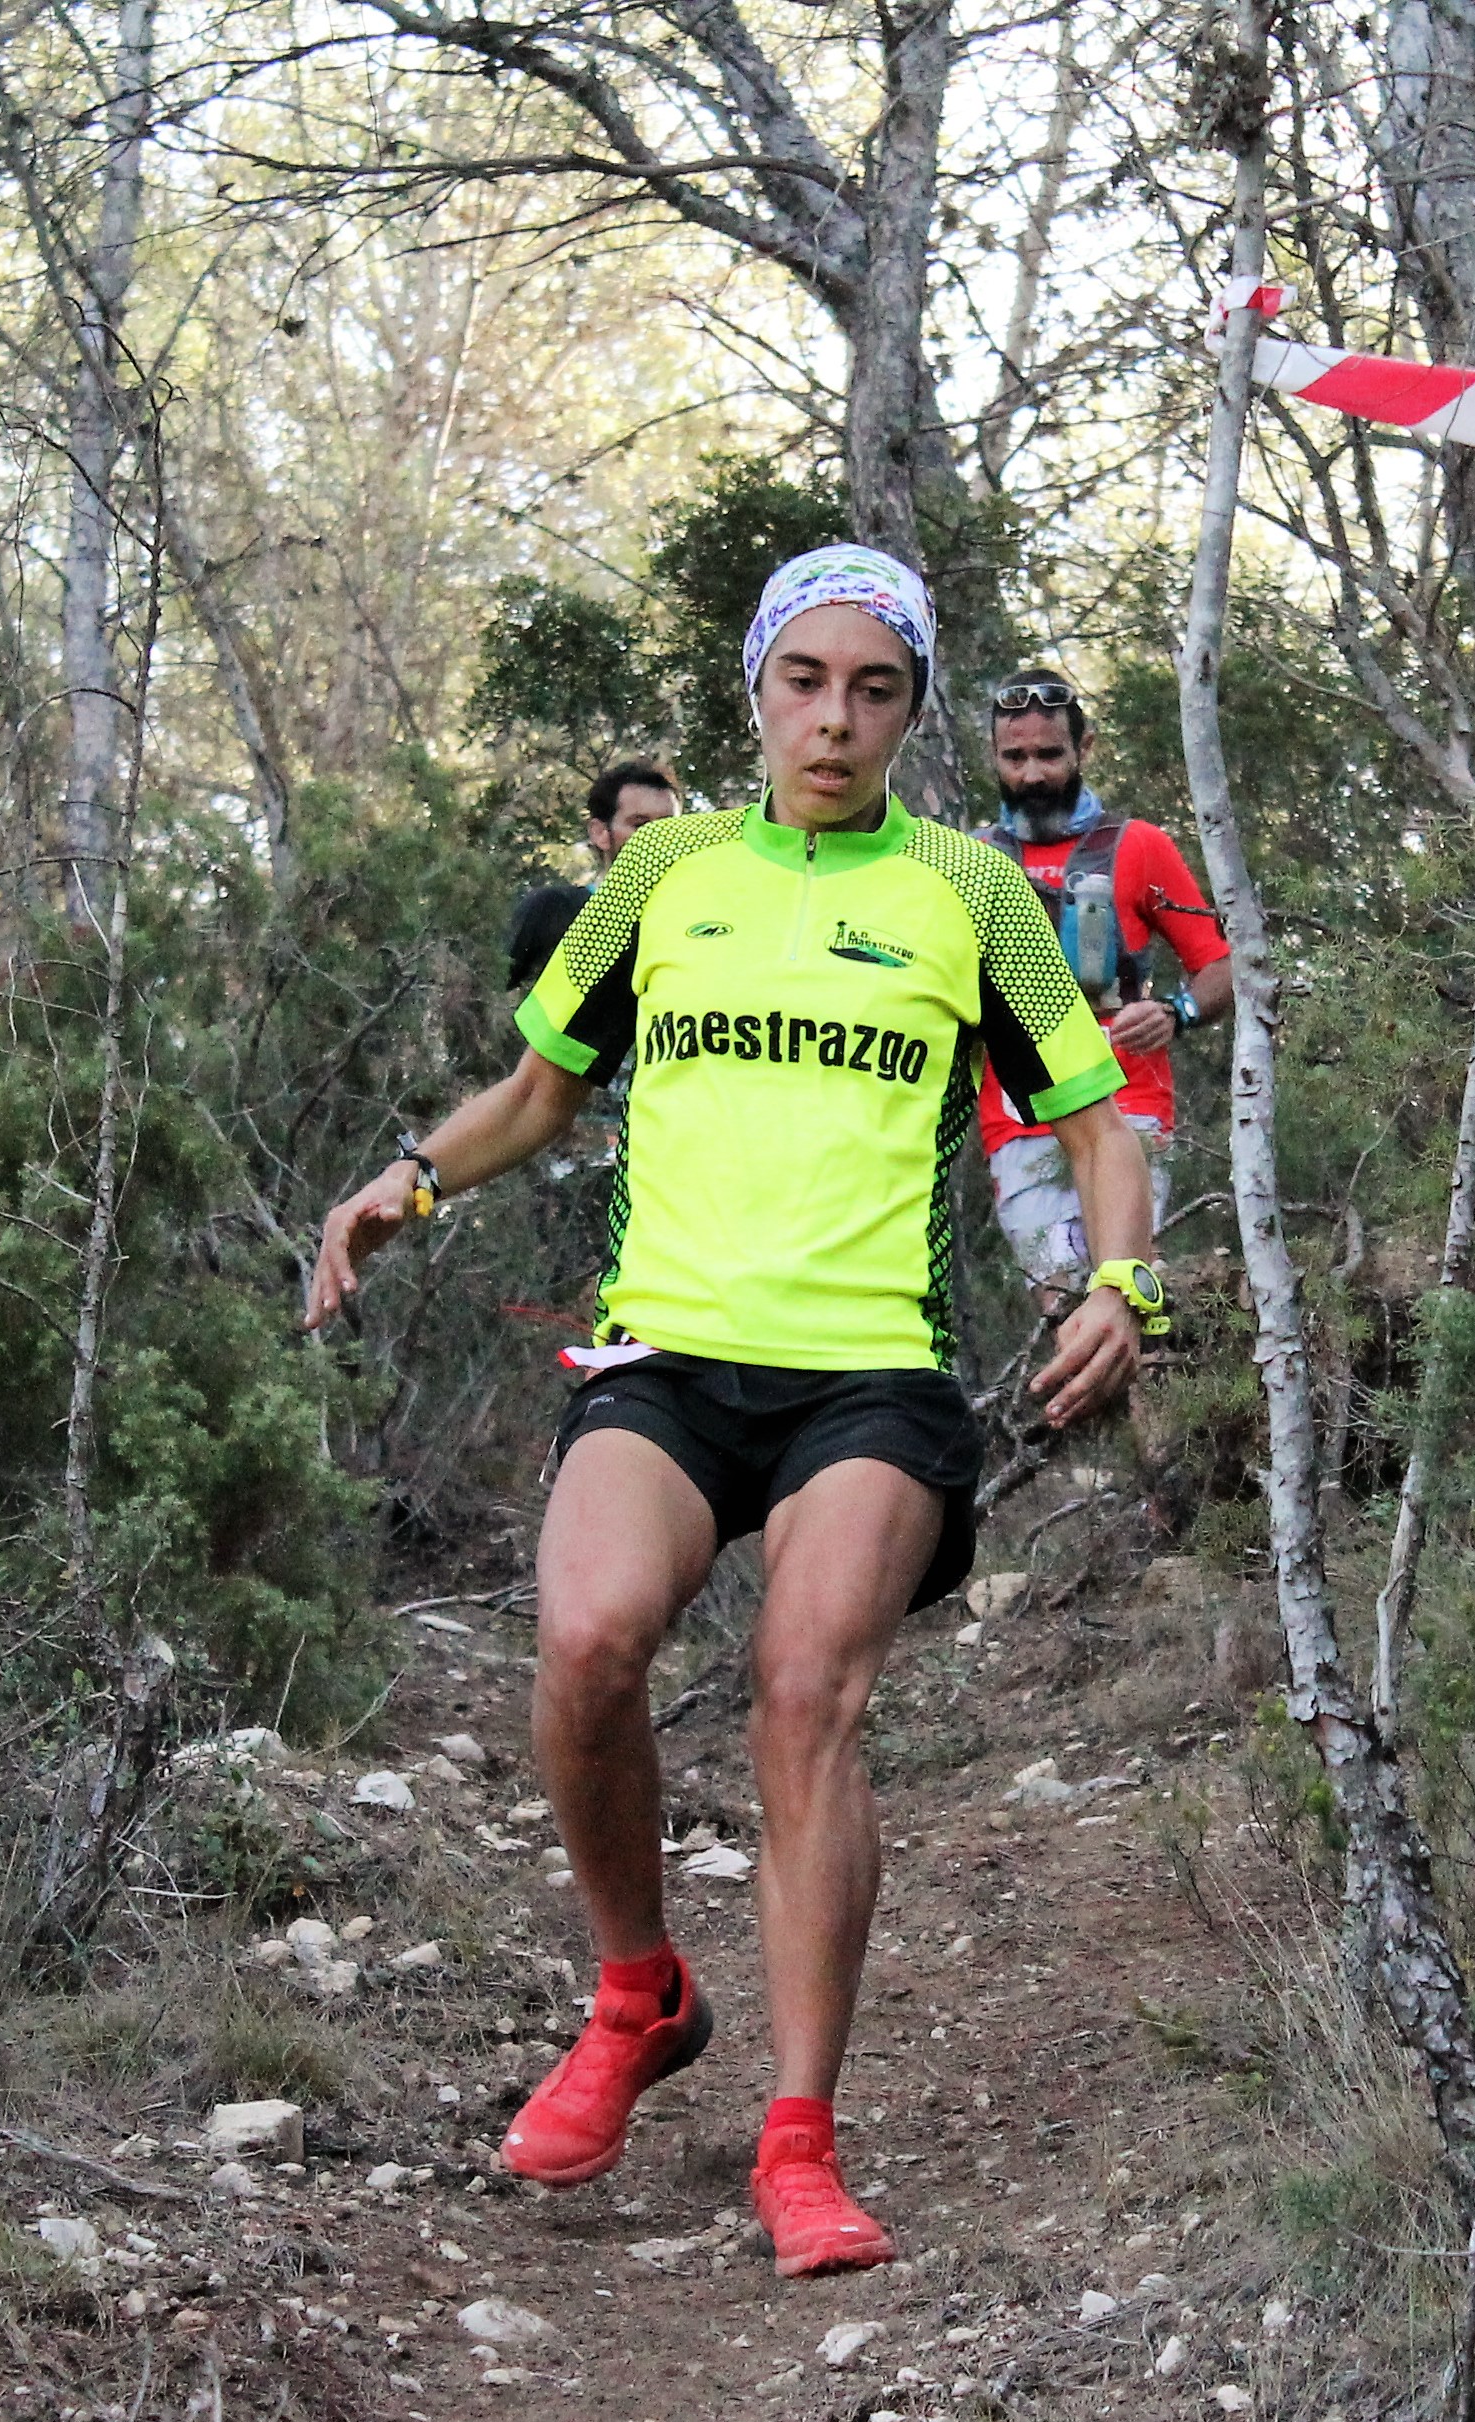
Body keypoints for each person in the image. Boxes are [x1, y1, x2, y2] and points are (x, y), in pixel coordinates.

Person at [301, 547, 1162, 2278]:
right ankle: (639, 1995)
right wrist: (409, 1179)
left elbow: (1096, 1120)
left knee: (802, 1695)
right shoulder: (665, 874)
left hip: (872, 1368)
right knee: (586, 1640)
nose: (834, 722)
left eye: (874, 691)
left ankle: (799, 2138)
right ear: (756, 690)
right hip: (669, 1357)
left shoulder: (966, 892)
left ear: (912, 712)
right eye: (804, 683)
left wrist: (1120, 1284)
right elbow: (539, 1091)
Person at [967, 671, 1231, 1302]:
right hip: (1019, 1121)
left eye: (1050, 754)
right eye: (1015, 758)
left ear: (1084, 748)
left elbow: (1222, 967)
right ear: (994, 757)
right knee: (1060, 1305)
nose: (1033, 774)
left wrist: (1175, 1011)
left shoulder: (1138, 846)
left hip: (1128, 1109)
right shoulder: (969, 859)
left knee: (1126, 1296)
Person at [505, 759, 684, 997]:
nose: (658, 838)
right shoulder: (552, 909)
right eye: (640, 825)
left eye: (669, 827)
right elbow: (481, 991)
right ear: (600, 833)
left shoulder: (692, 922)